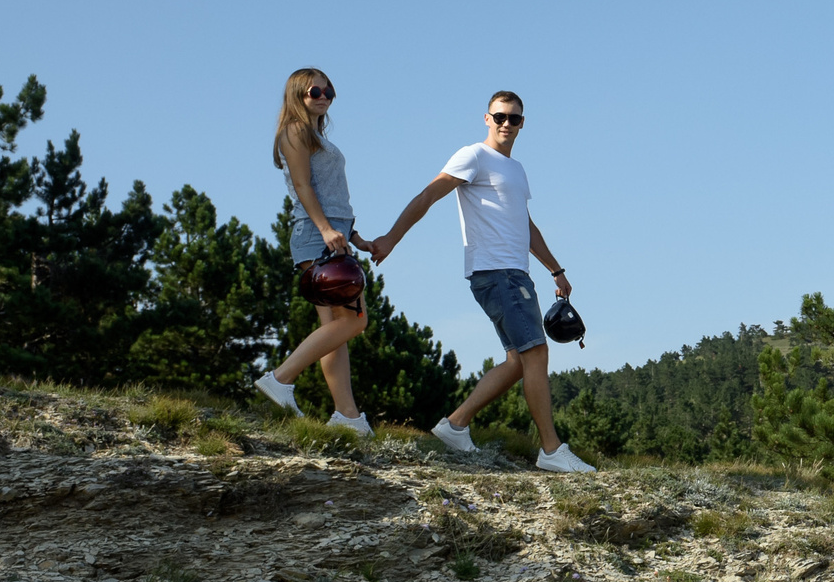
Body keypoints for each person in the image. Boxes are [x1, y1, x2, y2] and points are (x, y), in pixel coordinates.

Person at [366, 90, 594, 473]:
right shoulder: (473, 155)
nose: (506, 124)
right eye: (500, 116)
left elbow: (524, 224)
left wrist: (555, 269)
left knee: (518, 360)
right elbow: (429, 195)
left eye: (514, 119)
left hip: (515, 272)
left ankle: (455, 426)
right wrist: (391, 238)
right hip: (495, 271)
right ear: (487, 118)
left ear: (523, 124)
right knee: (536, 352)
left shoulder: (516, 170)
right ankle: (552, 451)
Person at [253, 68, 374, 438]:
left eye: (329, 90)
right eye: (314, 91)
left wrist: (354, 236)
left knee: (334, 328)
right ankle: (281, 378)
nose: (323, 96)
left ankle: (347, 416)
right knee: (354, 321)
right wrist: (325, 230)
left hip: (329, 235)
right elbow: (303, 186)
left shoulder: (317, 136)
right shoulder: (294, 131)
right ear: (297, 95)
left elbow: (331, 194)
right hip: (314, 234)